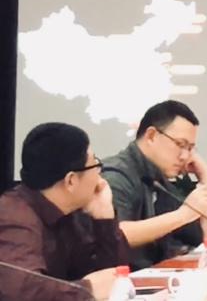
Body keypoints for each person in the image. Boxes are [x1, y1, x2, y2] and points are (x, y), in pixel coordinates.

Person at [0, 122, 130, 300]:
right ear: (71, 180)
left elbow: (111, 279)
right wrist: (86, 289)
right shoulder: (14, 217)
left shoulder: (71, 210)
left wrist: (104, 219)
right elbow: (20, 290)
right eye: (95, 164)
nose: (99, 173)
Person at [102, 100, 207, 268]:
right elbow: (116, 235)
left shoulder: (159, 180)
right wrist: (183, 215)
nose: (185, 156)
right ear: (151, 135)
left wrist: (205, 178)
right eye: (180, 144)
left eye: (190, 148)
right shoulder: (115, 176)